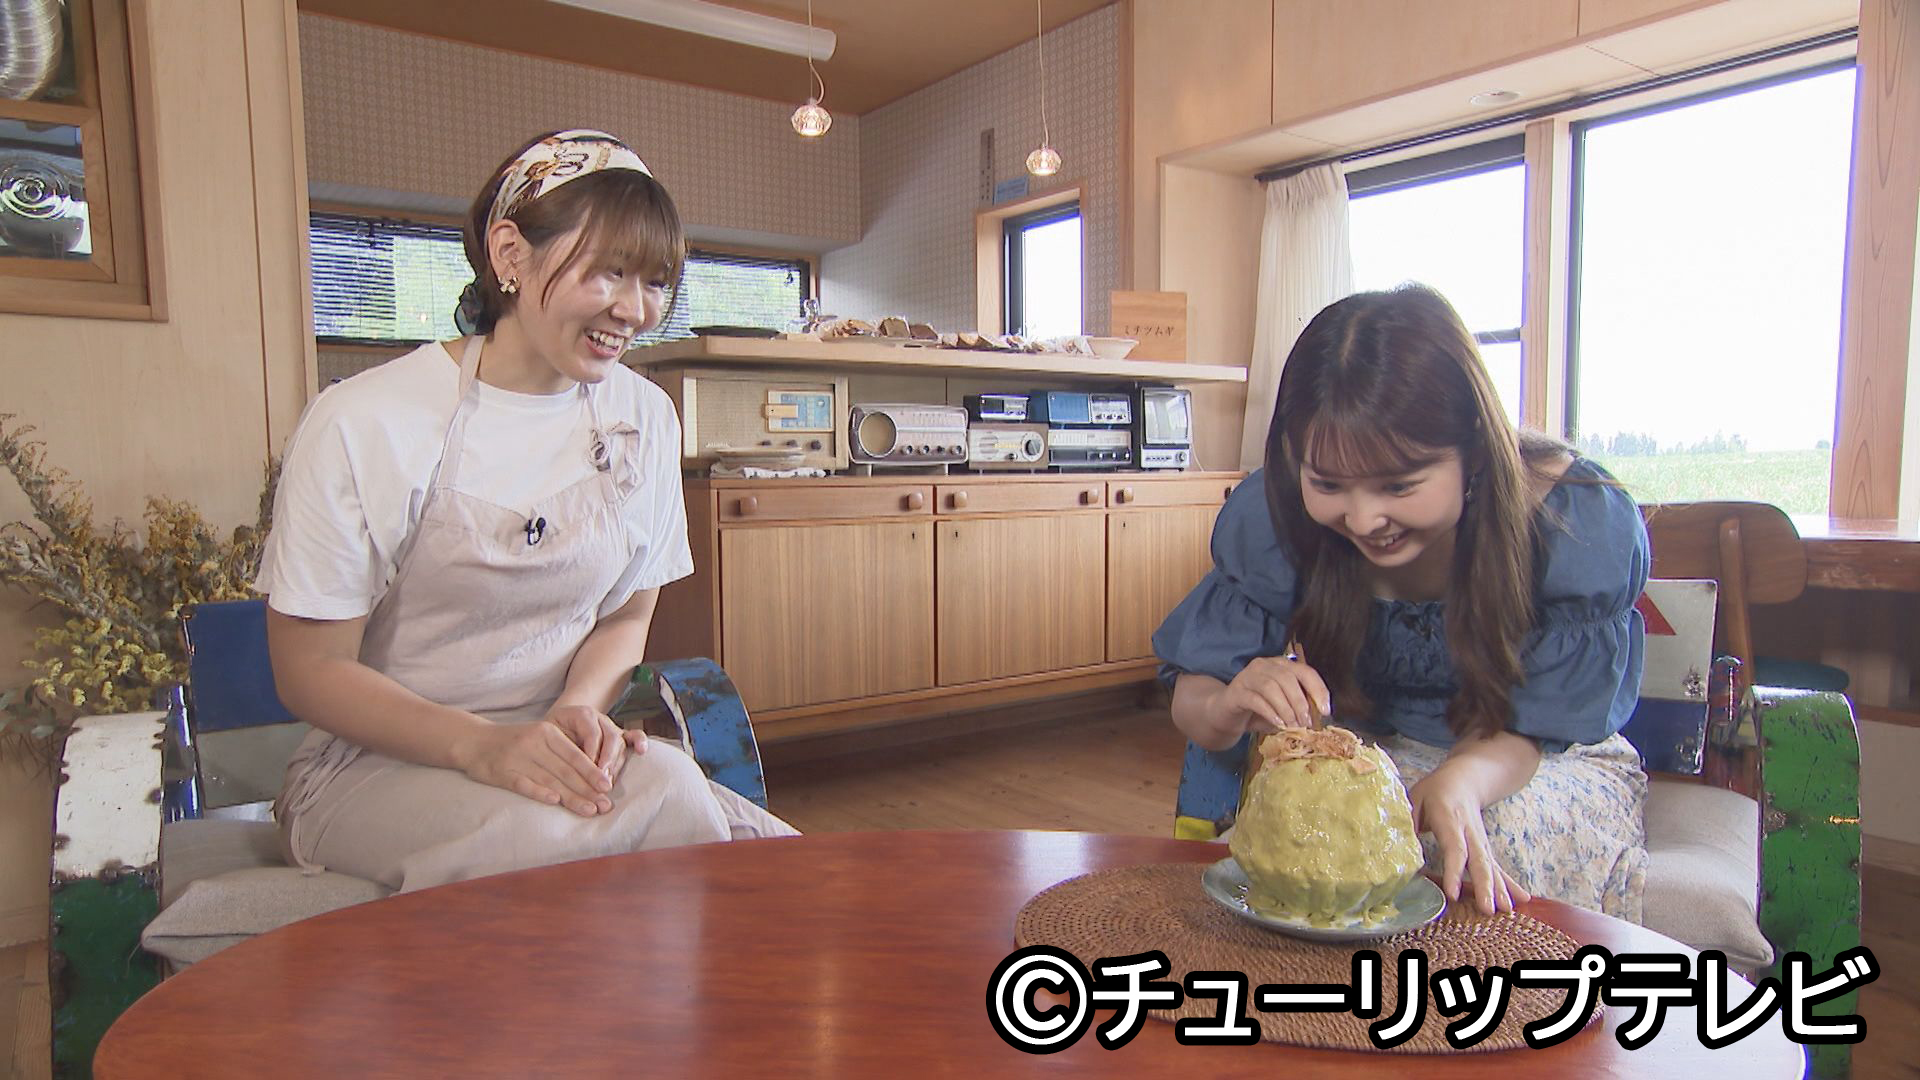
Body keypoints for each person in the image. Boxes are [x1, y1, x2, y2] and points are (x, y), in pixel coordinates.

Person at [260, 129, 796, 892]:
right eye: (609, 271)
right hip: (375, 764)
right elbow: (310, 671)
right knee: (540, 840)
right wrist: (482, 747)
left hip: (556, 743)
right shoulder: (364, 421)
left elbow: (626, 616)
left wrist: (577, 710)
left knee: (677, 789)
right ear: (509, 254)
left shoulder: (644, 417)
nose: (635, 310)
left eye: (655, 281)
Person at [1154, 284, 1650, 921]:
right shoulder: (1276, 512)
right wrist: (1228, 703)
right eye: (1328, 483)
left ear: (1474, 450)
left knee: (1467, 844)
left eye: (1399, 485)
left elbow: (1536, 728)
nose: (1363, 520)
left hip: (1532, 758)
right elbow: (1194, 701)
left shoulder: (1572, 520)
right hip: (1377, 750)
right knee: (1300, 848)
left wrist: (1462, 779)